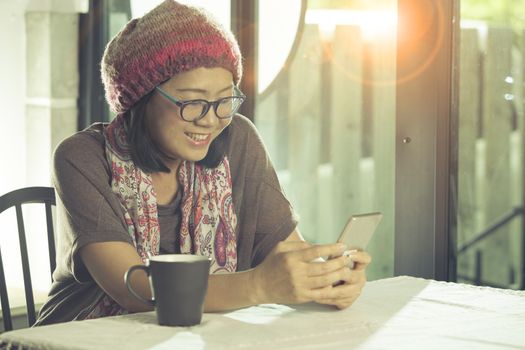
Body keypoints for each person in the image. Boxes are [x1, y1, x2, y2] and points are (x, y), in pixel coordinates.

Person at [35, 0, 371, 325]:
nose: (210, 120)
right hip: (81, 336)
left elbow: (286, 253)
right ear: (141, 97)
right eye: (193, 101)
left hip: (199, 334)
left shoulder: (238, 140)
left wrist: (323, 279)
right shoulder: (80, 157)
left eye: (224, 100)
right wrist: (258, 286)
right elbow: (134, 290)